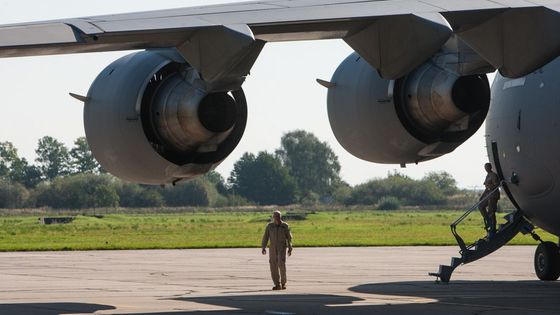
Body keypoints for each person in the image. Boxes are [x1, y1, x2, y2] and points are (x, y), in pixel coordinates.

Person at [261, 210, 293, 290]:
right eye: (275, 216)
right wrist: (263, 247)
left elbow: (289, 238)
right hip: (272, 248)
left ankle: (283, 283)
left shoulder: (285, 226)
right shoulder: (270, 226)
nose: (277, 218)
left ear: (280, 217)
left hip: (281, 247)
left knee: (281, 263)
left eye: (278, 216)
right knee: (273, 265)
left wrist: (290, 247)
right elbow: (266, 237)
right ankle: (277, 284)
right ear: (273, 217)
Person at [478, 163, 500, 238]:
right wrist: (481, 197)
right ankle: (488, 221)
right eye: (485, 167)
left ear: (490, 167)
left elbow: (497, 185)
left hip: (493, 195)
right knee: (480, 206)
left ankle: (493, 227)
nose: (486, 168)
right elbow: (486, 188)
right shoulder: (487, 176)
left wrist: (492, 187)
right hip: (488, 194)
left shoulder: (493, 175)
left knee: (491, 211)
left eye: (487, 167)